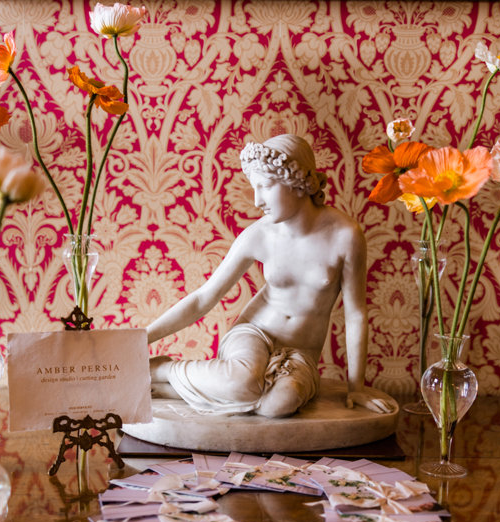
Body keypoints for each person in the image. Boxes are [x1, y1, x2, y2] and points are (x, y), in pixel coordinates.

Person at [147, 134, 396, 418]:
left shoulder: (345, 236)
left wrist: (356, 388)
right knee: (244, 380)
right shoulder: (260, 235)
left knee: (277, 406)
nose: (257, 200)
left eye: (265, 187)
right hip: (253, 332)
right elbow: (204, 298)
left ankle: (175, 387)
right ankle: (163, 368)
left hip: (301, 353)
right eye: (255, 188)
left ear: (297, 182)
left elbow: (355, 314)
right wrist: (143, 338)